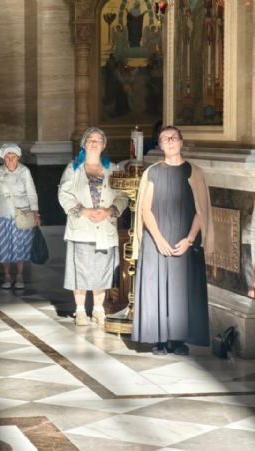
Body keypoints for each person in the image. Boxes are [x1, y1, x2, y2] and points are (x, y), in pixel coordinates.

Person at [131, 125, 213, 355]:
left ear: (181, 141)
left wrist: (189, 239)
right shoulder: (152, 172)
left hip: (184, 240)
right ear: (159, 145)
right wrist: (158, 240)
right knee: (156, 286)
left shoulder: (195, 172)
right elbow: (145, 209)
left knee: (181, 289)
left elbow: (201, 210)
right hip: (156, 239)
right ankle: (159, 339)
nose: (169, 141)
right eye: (164, 139)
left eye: (173, 138)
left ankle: (178, 340)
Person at [58, 127, 128, 326]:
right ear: (84, 144)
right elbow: (64, 194)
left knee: (102, 270)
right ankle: (80, 310)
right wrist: (83, 211)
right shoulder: (74, 168)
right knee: (80, 270)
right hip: (81, 226)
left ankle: (98, 309)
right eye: (90, 139)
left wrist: (110, 210)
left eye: (98, 140)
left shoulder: (113, 169)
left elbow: (123, 195)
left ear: (104, 145)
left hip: (105, 226)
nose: (95, 143)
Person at [0, 143, 39, 289]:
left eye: (13, 157)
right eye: (7, 157)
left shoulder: (25, 171)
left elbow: (31, 192)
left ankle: (20, 275)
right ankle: (7, 275)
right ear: (3, 158)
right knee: (5, 246)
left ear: (18, 157)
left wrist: (35, 213)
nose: (10, 160)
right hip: (3, 214)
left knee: (20, 245)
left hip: (21, 214)